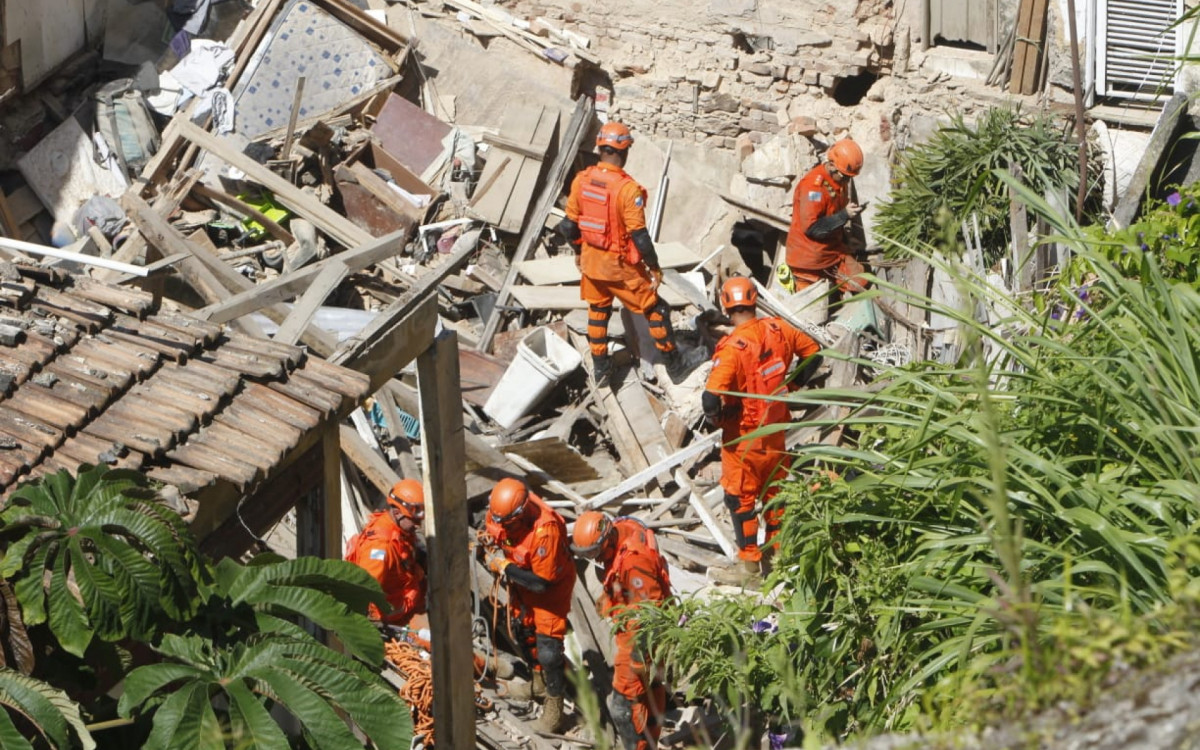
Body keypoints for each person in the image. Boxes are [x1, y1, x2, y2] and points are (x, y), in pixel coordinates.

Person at [558, 121, 706, 388]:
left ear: (600, 148)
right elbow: (640, 236)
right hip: (620, 267)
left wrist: (579, 251)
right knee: (656, 309)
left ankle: (601, 370)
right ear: (624, 151)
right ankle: (676, 365)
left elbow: (567, 226)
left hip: (592, 263)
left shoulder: (581, 180)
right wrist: (655, 267)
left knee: (598, 311)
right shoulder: (627, 190)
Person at [704, 277, 823, 586]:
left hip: (743, 439)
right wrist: (792, 385)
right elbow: (815, 354)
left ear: (725, 306)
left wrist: (716, 419)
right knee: (775, 493)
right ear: (754, 300)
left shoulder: (732, 349)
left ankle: (750, 569)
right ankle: (778, 556)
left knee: (739, 500)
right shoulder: (778, 329)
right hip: (776, 430)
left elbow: (709, 397)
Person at [482, 477, 576, 732]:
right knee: (522, 632)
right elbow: (494, 531)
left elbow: (542, 584)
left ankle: (555, 709)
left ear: (521, 516)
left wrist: (505, 567)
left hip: (549, 590)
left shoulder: (546, 531)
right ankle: (537, 685)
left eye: (509, 524)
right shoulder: (500, 512)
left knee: (548, 651)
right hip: (522, 582)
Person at [572, 511, 672, 750]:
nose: (594, 558)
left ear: (607, 541)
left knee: (622, 707)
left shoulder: (634, 561)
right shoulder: (621, 529)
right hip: (641, 628)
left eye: (594, 553)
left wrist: (638, 658)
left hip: (641, 638)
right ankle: (649, 743)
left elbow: (649, 614)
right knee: (653, 687)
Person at [784, 138, 869, 296]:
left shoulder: (839, 181)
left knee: (859, 283)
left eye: (849, 177)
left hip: (832, 253)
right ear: (831, 165)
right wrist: (844, 215)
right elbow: (812, 228)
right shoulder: (813, 188)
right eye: (844, 176)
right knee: (813, 305)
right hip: (809, 260)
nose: (847, 180)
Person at [344, 478, 427, 626]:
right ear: (396, 512)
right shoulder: (381, 547)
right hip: (393, 616)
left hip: (410, 599)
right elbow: (365, 590)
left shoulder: (397, 528)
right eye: (413, 520)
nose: (418, 526)